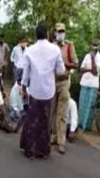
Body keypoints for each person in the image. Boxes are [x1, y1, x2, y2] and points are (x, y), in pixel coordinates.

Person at [20, 22, 65, 159]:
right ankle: (43, 151)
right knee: (45, 122)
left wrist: (23, 89)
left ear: (36, 34)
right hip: (48, 91)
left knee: (32, 120)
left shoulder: (29, 50)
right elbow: (60, 71)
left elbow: (25, 74)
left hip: (34, 91)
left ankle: (30, 151)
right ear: (47, 34)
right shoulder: (55, 50)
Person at [51, 23, 79, 154]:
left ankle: (61, 141)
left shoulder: (69, 45)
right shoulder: (51, 46)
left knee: (62, 112)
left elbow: (76, 64)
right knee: (53, 110)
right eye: (58, 31)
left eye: (62, 31)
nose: (61, 33)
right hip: (52, 81)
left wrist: (63, 64)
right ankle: (54, 136)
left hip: (64, 82)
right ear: (55, 33)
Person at [78, 39, 100, 132]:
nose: (94, 46)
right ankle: (80, 124)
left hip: (93, 85)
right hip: (84, 83)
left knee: (89, 106)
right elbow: (81, 69)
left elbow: (95, 72)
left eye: (96, 45)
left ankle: (86, 127)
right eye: (93, 44)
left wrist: (92, 59)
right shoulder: (87, 55)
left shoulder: (99, 57)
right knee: (82, 104)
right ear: (91, 45)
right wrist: (89, 70)